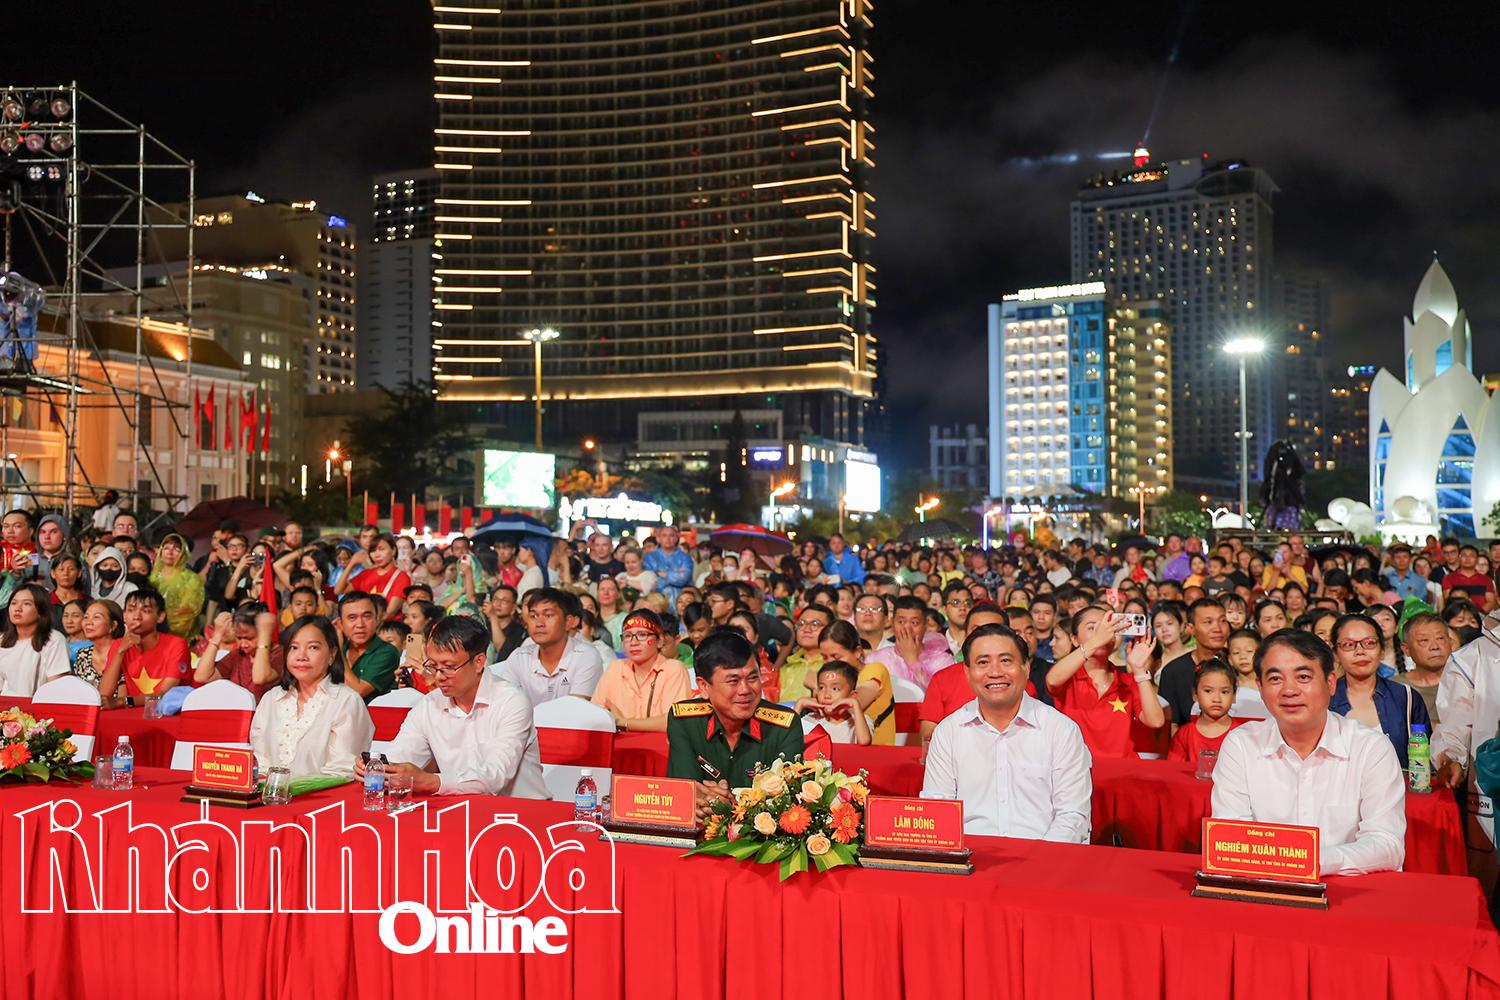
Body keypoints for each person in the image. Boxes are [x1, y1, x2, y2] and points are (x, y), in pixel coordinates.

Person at [1211, 629, 1406, 876]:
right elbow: (1232, 837)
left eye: (1303, 677)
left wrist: (1308, 861)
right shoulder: (1241, 745)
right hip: (1267, 893)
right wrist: (1294, 862)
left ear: (1331, 683)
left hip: (1347, 894)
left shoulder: (1370, 749)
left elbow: (1386, 844)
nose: (1289, 690)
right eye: (1275, 679)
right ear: (1260, 687)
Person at [920, 623, 1091, 841]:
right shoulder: (948, 732)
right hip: (971, 862)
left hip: (1044, 860)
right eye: (983, 662)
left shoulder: (1061, 730)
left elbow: (1072, 816)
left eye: (1006, 661)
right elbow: (937, 810)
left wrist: (1039, 861)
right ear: (967, 672)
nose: (995, 672)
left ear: (1026, 667)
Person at [359, 615, 548, 797]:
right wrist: (378, 768)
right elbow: (401, 755)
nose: (439, 676)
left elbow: (496, 776)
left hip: (520, 814)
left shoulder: (511, 701)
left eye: (449, 667)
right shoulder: (429, 704)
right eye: (433, 666)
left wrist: (429, 781)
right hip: (460, 809)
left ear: (478, 662)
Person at [665, 630, 805, 821]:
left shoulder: (785, 725)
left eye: (753, 678)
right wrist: (706, 800)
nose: (745, 690)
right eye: (733, 681)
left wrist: (728, 804)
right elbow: (686, 789)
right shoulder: (684, 719)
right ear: (704, 687)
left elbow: (786, 800)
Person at [249, 615, 373, 779]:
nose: (301, 656)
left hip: (324, 801)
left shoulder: (347, 701)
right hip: (270, 800)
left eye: (313, 648)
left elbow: (342, 771)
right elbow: (261, 763)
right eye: (294, 647)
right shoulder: (271, 699)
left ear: (332, 654)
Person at [1044, 606, 1166, 758]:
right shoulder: (1068, 678)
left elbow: (1155, 721)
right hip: (1079, 773)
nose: (1103, 633)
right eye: (1092, 627)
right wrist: (1095, 641)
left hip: (1122, 773)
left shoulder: (1128, 682)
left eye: (1108, 627)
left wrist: (1140, 670)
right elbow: (1052, 680)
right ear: (1074, 639)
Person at [1328, 614, 1430, 768]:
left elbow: (1425, 760)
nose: (1360, 651)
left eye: (1369, 643)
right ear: (1335, 654)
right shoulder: (1324, 700)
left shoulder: (1406, 697)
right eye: (1349, 645)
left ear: (1382, 651)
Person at [492, 587, 603, 704]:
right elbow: (506, 705)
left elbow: (575, 711)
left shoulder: (585, 656)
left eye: (548, 615)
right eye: (533, 616)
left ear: (569, 622)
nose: (539, 623)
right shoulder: (519, 657)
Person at [590, 609, 694, 732]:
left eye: (642, 635)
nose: (634, 642)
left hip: (658, 748)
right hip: (618, 747)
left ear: (660, 641)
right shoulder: (615, 668)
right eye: (628, 636)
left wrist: (622, 722)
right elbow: (594, 717)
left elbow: (672, 722)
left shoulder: (674, 669)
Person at [818, 619, 895, 745]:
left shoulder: (875, 669)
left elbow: (849, 706)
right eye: (824, 657)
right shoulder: (827, 678)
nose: (830, 663)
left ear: (857, 652)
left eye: (836, 657)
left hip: (876, 752)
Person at [1157, 598, 1231, 725]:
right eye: (1208, 622)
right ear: (1191, 628)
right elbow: (1171, 725)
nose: (1217, 628)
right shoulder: (1174, 672)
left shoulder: (1239, 665)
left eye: (1223, 621)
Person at [117, 588, 191, 699]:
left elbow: (165, 694)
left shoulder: (176, 645)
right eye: (131, 610)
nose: (137, 616)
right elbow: (104, 693)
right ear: (124, 616)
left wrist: (126, 702)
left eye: (146, 611)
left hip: (166, 713)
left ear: (160, 616)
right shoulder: (119, 645)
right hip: (130, 712)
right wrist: (120, 652)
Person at [866, 595, 952, 689]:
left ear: (925, 625)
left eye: (914, 622)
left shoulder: (943, 661)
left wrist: (912, 661)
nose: (907, 628)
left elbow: (941, 697)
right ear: (892, 623)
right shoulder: (876, 659)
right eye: (901, 622)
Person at [195, 607, 284, 698]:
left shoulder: (280, 654)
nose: (243, 644)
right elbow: (202, 676)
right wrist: (217, 635)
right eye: (239, 638)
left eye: (249, 638)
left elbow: (259, 678)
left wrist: (265, 634)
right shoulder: (238, 654)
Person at [1169, 661, 1248, 762]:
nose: (1216, 699)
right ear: (1195, 694)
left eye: (1224, 692)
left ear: (1234, 696)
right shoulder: (1184, 734)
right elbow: (1175, 771)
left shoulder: (1242, 734)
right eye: (1208, 691)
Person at [0, 583, 70, 696]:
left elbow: (58, 689)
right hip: (7, 710)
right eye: (13, 603)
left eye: (26, 604)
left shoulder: (53, 640)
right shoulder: (2, 640)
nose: (17, 608)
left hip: (39, 708)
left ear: (40, 611)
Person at [336, 591, 400, 701]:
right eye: (352, 617)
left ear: (377, 620)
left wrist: (337, 651)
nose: (360, 624)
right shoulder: (340, 649)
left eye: (367, 616)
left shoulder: (387, 652)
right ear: (340, 624)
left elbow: (358, 691)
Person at [794, 661, 873, 745]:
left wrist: (855, 704)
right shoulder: (810, 720)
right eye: (821, 688)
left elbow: (864, 742)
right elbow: (785, 741)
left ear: (852, 695)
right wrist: (800, 704)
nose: (827, 695)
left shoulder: (860, 721)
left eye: (835, 689)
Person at [336, 534, 412, 620]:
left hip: (386, 629)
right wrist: (351, 564)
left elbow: (390, 613)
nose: (377, 555)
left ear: (393, 550)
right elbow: (338, 590)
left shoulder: (401, 577)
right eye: (373, 551)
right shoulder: (366, 574)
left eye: (381, 549)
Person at [1396, 611, 1451, 722]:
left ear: (1450, 642)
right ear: (1406, 649)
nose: (1435, 647)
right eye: (1424, 641)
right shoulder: (1396, 689)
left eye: (1440, 638)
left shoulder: (1467, 682)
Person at [149, 532, 205, 639]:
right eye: (166, 548)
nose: (170, 551)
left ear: (183, 554)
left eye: (176, 549)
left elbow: (189, 609)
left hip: (179, 635)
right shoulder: (152, 577)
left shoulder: (191, 579)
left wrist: (162, 625)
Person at [73, 599, 127, 703]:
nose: (88, 622)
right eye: (86, 617)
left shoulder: (124, 651)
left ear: (113, 626)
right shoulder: (82, 654)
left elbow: (123, 696)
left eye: (96, 617)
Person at [642, 525, 693, 604]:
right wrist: (676, 572)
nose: (668, 539)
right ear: (658, 539)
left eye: (671, 535)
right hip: (656, 600)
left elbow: (683, 579)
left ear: (676, 538)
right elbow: (650, 580)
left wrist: (665, 574)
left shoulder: (685, 558)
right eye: (664, 535)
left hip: (680, 601)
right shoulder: (650, 558)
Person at [483, 585, 527, 662]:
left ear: (513, 608)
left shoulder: (518, 631)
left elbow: (503, 652)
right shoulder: (484, 627)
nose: (498, 604)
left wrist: (493, 617)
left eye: (504, 601)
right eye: (496, 599)